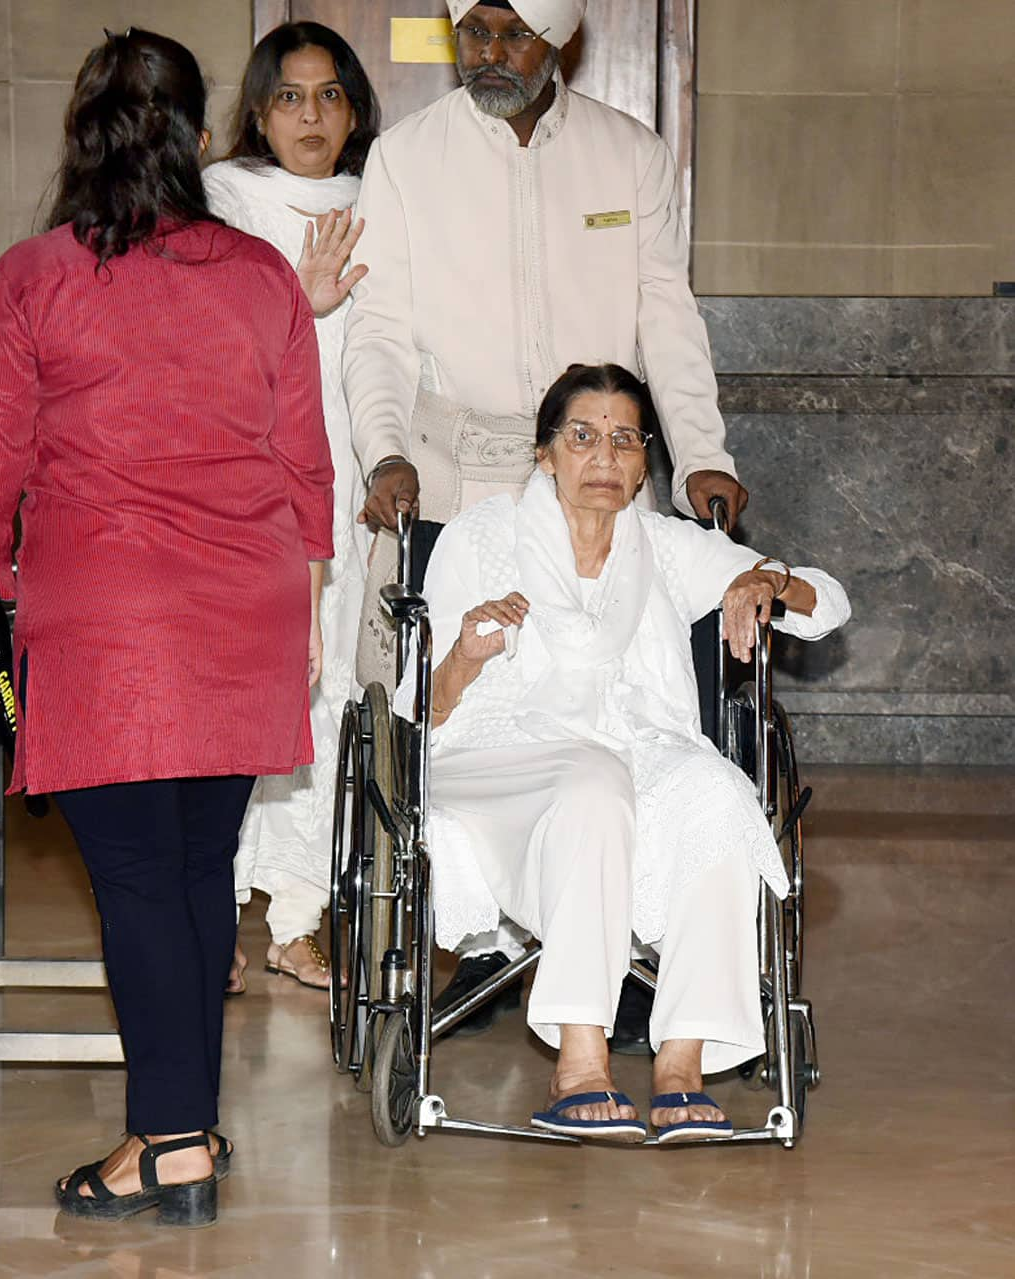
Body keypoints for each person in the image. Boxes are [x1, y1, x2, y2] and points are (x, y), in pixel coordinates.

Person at [0, 29, 333, 1224]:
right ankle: (189, 1131)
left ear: (81, 139)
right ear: (202, 141)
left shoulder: (33, 277)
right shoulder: (264, 277)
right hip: (244, 606)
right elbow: (306, 466)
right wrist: (306, 613)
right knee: (196, 868)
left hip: (110, 617)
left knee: (135, 882)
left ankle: (167, 1141)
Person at [344, 0, 748, 1028]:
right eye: (471, 34)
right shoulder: (406, 156)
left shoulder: (628, 154)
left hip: (600, 481)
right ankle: (484, 939)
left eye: (510, 36)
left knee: (619, 710)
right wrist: (385, 448)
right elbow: (379, 328)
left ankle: (615, 942)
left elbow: (668, 316)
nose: (487, 57)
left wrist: (701, 456)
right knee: (464, 705)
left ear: (558, 38)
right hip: (455, 473)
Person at [393, 362, 849, 1139]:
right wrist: (466, 653)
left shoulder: (666, 548)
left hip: (637, 750)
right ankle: (580, 1061)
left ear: (645, 462)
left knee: (714, 789)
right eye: (581, 436)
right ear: (544, 454)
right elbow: (417, 710)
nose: (604, 456)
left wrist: (763, 579)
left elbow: (828, 601)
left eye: (624, 439)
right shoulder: (481, 537)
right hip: (493, 753)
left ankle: (680, 1063)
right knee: (591, 778)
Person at [203, 22, 378, 993]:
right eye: (289, 98)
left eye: (328, 96)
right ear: (260, 112)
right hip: (253, 482)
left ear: (352, 107)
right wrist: (294, 309)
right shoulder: (223, 201)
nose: (310, 116)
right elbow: (203, 338)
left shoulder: (382, 197)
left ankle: (299, 916)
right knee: (250, 700)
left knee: (333, 698)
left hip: (350, 480)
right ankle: (216, 913)